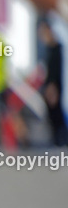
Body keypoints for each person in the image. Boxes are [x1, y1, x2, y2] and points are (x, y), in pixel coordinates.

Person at [38, 19, 67, 147]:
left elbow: (56, 71)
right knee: (52, 115)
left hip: (56, 86)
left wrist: (52, 86)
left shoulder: (57, 49)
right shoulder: (50, 49)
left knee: (57, 115)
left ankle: (61, 140)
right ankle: (57, 140)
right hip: (51, 85)